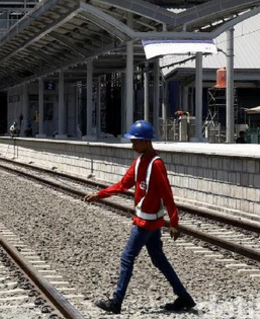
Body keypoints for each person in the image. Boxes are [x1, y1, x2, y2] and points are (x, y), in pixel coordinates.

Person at [83, 120, 195, 314]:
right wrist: (99, 195)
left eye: (135, 142)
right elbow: (122, 184)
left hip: (146, 223)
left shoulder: (156, 164)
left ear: (145, 141)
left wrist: (174, 223)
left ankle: (116, 303)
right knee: (158, 259)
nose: (132, 145)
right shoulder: (140, 161)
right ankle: (184, 297)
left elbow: (167, 195)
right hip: (149, 222)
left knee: (127, 257)